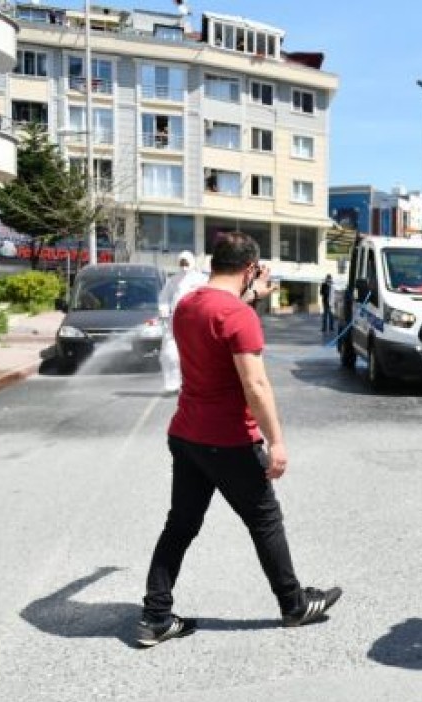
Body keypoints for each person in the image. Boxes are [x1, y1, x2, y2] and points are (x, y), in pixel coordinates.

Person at [137, 232, 342, 647]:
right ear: (250, 269)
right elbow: (256, 385)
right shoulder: (238, 316)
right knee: (265, 520)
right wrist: (277, 442)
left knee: (180, 525)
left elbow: (217, 321)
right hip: (229, 439)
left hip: (187, 435)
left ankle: (156, 617)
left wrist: (250, 298)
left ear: (215, 263)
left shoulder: (188, 304)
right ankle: (294, 604)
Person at [158, 251, 208, 394]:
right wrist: (164, 310)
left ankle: (195, 384)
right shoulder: (172, 280)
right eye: (181, 263)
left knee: (196, 355)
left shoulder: (202, 279)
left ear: (192, 262)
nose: (184, 266)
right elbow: (164, 298)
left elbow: (208, 297)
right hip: (174, 321)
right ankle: (171, 385)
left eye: (186, 262)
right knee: (169, 354)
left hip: (194, 322)